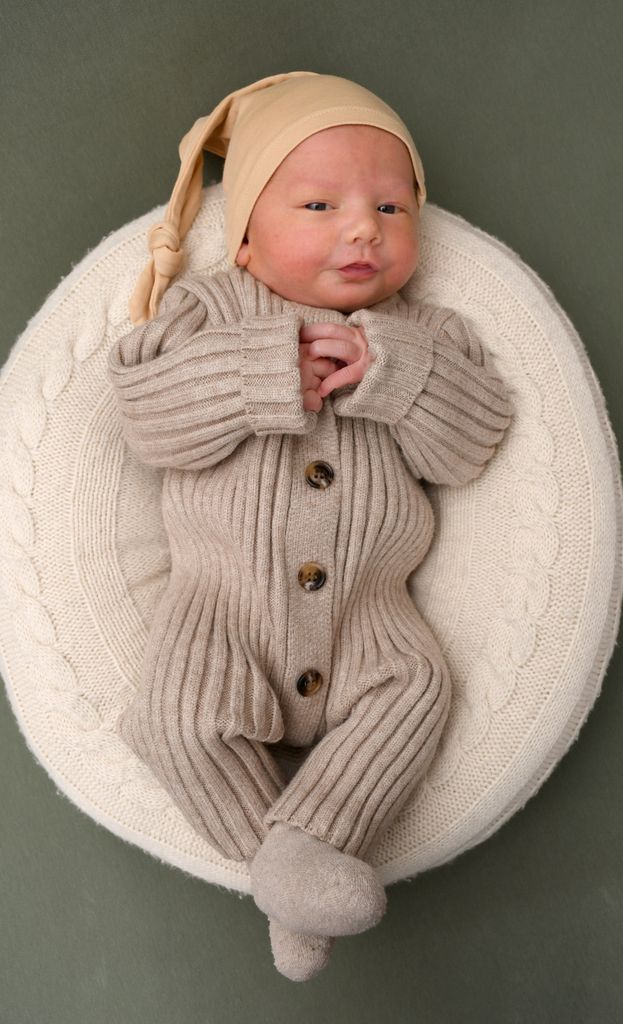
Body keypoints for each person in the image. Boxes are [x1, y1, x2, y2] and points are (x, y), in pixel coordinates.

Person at [107, 72, 513, 981]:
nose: (363, 228)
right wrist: (256, 375)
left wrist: (394, 373)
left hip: (370, 618)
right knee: (173, 720)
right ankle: (290, 879)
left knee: (419, 691)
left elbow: (472, 444)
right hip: (223, 614)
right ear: (246, 238)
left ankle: (305, 847)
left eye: (391, 207)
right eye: (321, 205)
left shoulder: (427, 334)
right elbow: (147, 417)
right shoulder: (211, 311)